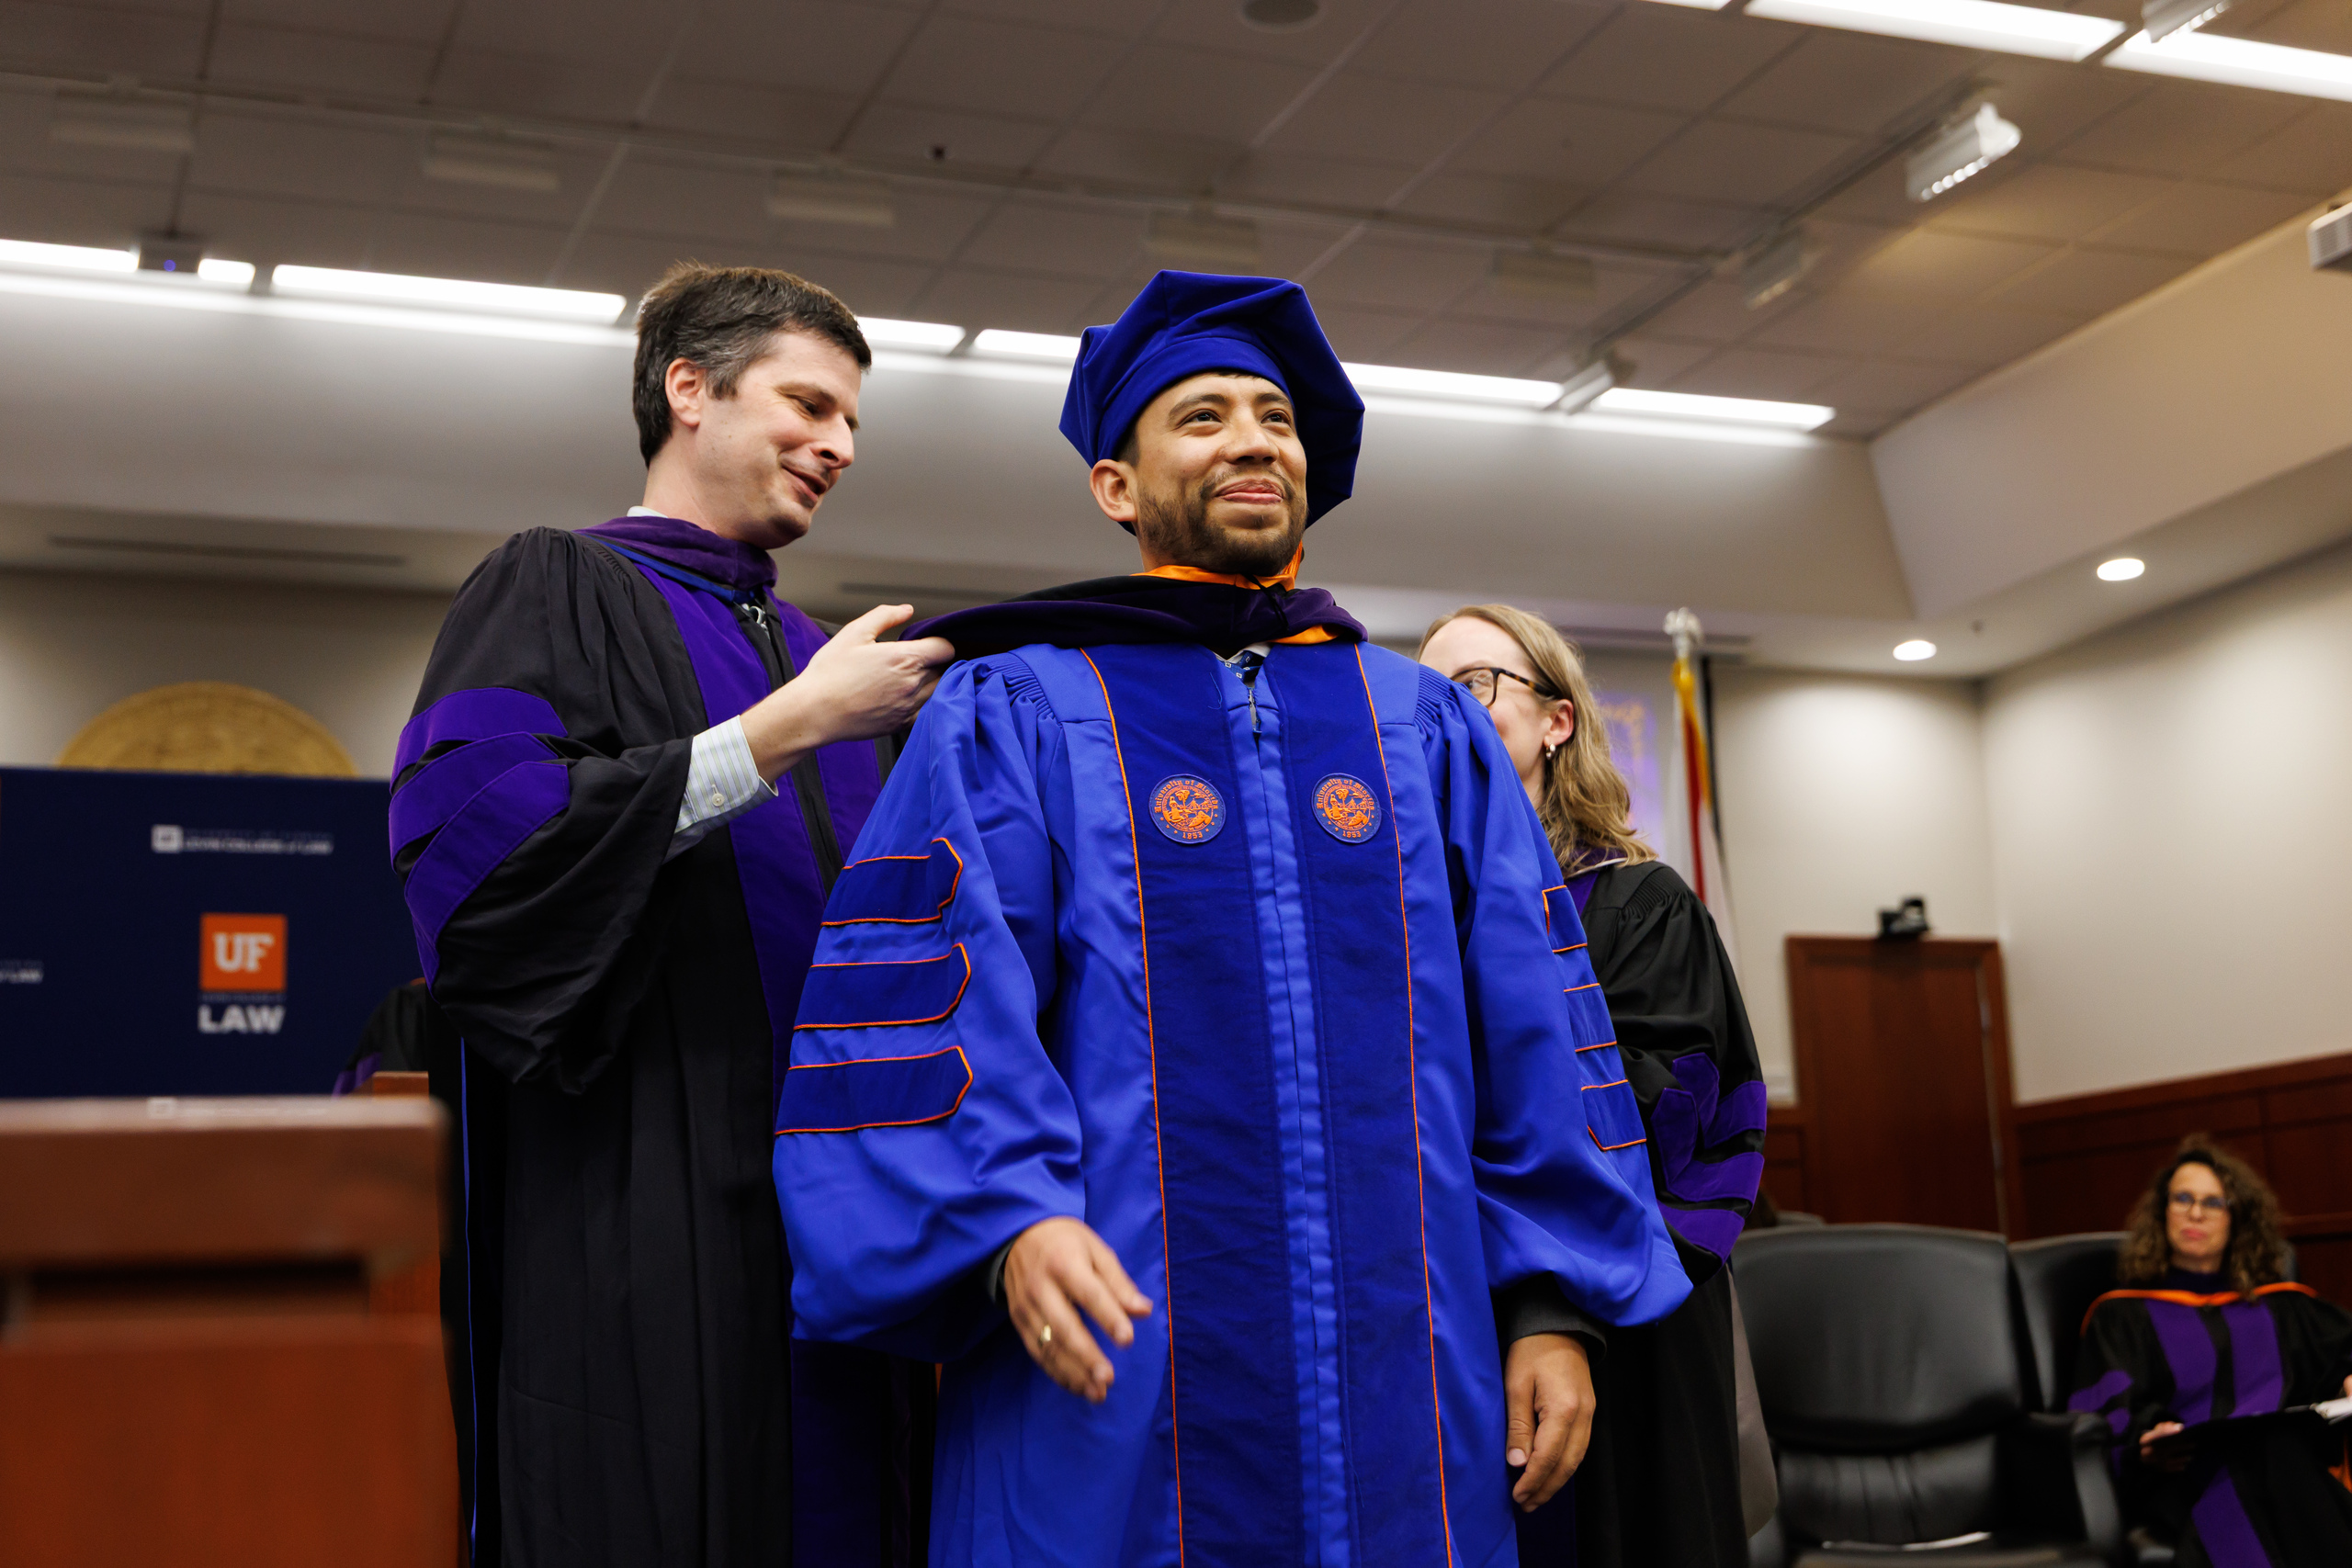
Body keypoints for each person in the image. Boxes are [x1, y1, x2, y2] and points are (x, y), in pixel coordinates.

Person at [769, 270, 1690, 1566]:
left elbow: (1536, 1031)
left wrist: (1549, 1305)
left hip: (1408, 1374)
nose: (1255, 438)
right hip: (1113, 1356)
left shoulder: (1421, 727)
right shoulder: (1016, 712)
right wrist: (1006, 1219)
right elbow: (930, 1001)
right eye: (1201, 416)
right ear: (1118, 485)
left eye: (1276, 416)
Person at [390, 263, 954, 1566]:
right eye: (809, 404)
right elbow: (476, 876)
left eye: (855, 422)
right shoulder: (551, 586)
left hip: (838, 1244)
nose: (841, 445)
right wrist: (788, 726)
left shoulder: (829, 656)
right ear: (687, 389)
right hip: (634, 1216)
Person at [1419, 605, 1770, 1566]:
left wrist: (1553, 1296)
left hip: (1622, 1317)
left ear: (1556, 722)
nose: (1444, 714)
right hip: (1458, 1312)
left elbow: (1669, 1113)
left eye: (1477, 686)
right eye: (1425, 697)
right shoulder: (1411, 920)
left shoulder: (1636, 904)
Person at [2072, 1137, 2352, 1565]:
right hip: (2184, 1473)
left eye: (2213, 1203)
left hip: (2283, 1463)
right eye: (2182, 1198)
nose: (2195, 1213)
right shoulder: (2123, 1314)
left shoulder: (2283, 1305)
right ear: (2162, 1211)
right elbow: (2106, 1414)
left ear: (2237, 1218)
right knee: (2275, 1459)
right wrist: (2146, 1443)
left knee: (2275, 1448)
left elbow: (2341, 1359)